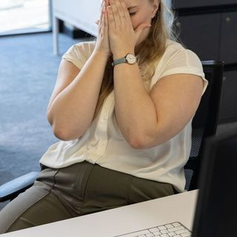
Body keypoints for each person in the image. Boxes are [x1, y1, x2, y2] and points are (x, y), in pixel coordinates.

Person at [0, 0, 207, 233]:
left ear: (154, 7)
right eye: (111, 11)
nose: (120, 24)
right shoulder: (81, 54)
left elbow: (140, 135)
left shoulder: (179, 61)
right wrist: (101, 52)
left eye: (130, 12)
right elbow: (65, 129)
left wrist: (124, 55)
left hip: (139, 193)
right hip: (61, 185)